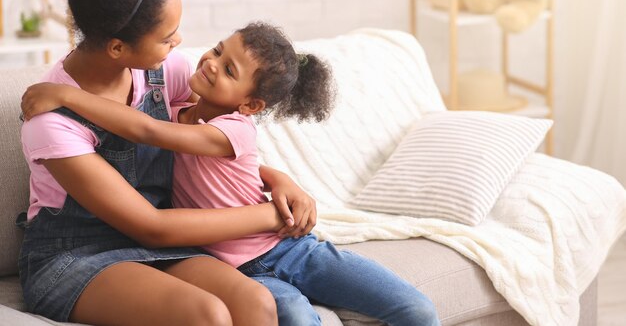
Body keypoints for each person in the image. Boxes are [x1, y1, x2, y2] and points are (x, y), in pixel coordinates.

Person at [22, 21, 441, 326]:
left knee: (415, 309)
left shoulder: (230, 130)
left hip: (285, 247)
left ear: (251, 106)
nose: (210, 63)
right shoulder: (175, 109)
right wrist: (277, 178)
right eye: (219, 51)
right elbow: (151, 131)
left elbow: (145, 129)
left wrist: (64, 96)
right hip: (226, 265)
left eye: (228, 71)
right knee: (293, 314)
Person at [16, 0, 318, 326]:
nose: (179, 43)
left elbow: (209, 141)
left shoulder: (162, 73)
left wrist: (277, 179)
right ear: (118, 47)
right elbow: (152, 226)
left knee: (256, 303)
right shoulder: (52, 122)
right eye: (166, 37)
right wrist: (271, 216)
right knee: (206, 314)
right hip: (73, 256)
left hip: (156, 244)